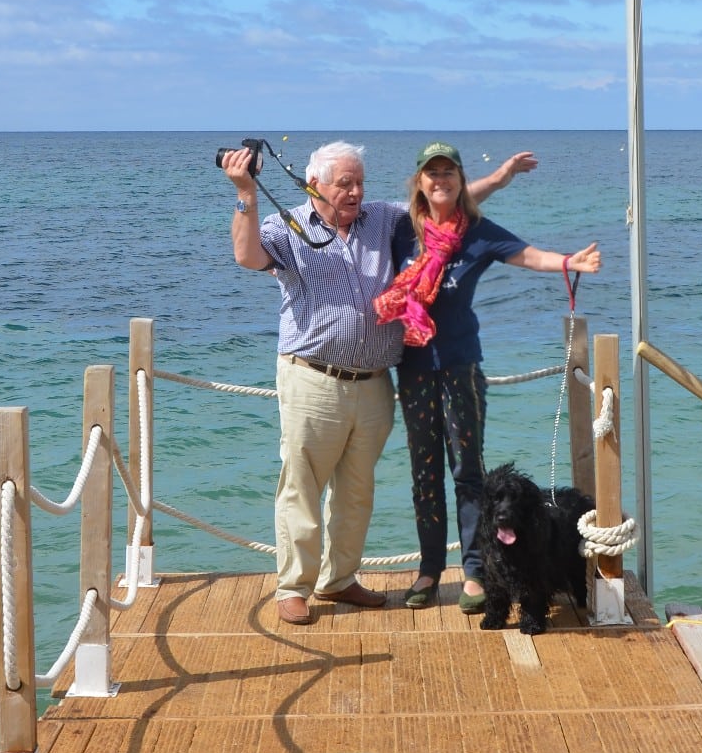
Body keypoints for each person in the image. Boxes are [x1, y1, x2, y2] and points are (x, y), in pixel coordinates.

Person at [222, 139, 533, 626]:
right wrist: (246, 193)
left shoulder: (383, 219)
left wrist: (499, 178)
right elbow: (246, 255)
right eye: (345, 183)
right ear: (314, 184)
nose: (356, 192)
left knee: (356, 489)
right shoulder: (288, 225)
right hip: (313, 378)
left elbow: (443, 201)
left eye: (360, 182)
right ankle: (294, 586)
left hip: (374, 382)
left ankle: (339, 579)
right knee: (302, 486)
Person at [374, 140, 600, 615]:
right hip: (413, 370)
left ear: (459, 179)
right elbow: (443, 202)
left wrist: (568, 262)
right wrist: (497, 178)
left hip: (460, 369)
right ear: (419, 181)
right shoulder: (401, 228)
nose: (440, 180)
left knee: (468, 473)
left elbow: (527, 255)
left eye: (448, 172)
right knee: (424, 475)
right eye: (432, 173)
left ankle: (475, 572)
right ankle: (429, 571)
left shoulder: (476, 232)